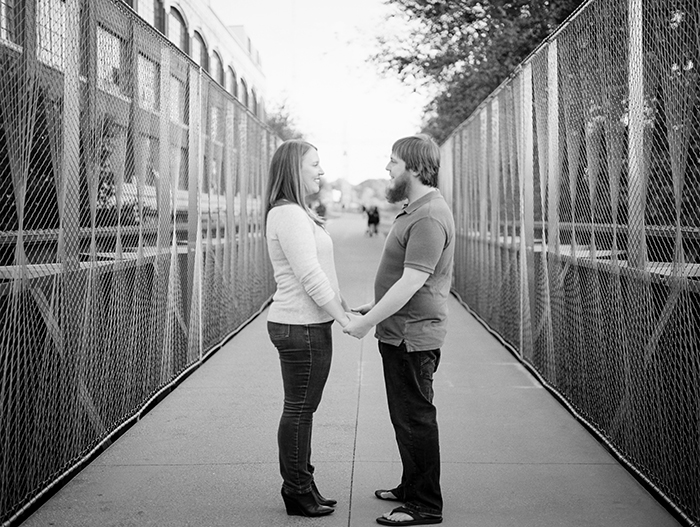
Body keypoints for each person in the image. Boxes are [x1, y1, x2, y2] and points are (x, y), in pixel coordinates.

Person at [343, 134, 454, 526]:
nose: (387, 169)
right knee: (405, 415)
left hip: (411, 337)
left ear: (413, 167)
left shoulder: (427, 215)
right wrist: (375, 307)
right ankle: (412, 486)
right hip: (399, 332)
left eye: (392, 162)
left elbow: (411, 282)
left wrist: (364, 324)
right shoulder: (415, 209)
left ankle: (424, 505)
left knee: (415, 417)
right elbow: (408, 280)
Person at [264, 139, 351, 517]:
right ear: (293, 170)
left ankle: (303, 482)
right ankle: (296, 489)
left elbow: (321, 275)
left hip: (304, 323)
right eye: (314, 164)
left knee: (302, 408)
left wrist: (343, 305)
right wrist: (345, 319)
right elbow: (310, 276)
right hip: (301, 326)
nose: (321, 171)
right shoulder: (289, 215)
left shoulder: (296, 212)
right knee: (299, 409)